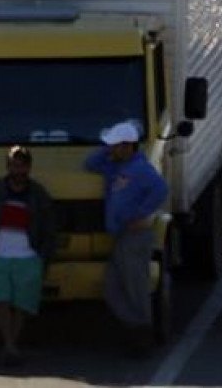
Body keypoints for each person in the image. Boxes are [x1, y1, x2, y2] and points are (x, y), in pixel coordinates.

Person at [84, 120, 169, 354]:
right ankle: (138, 327)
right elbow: (89, 163)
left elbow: (161, 189)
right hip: (122, 236)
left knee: (136, 288)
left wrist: (142, 215)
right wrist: (107, 149)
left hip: (136, 236)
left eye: (115, 145)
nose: (110, 149)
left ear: (128, 146)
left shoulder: (141, 169)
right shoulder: (116, 166)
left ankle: (143, 335)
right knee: (112, 289)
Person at [0, 146, 56, 366]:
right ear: (7, 166)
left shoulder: (38, 194)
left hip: (28, 257)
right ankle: (9, 345)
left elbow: (48, 228)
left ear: (28, 167)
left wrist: (44, 256)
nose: (16, 169)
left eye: (21, 165)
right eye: (13, 165)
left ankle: (11, 344)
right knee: (0, 300)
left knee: (21, 304)